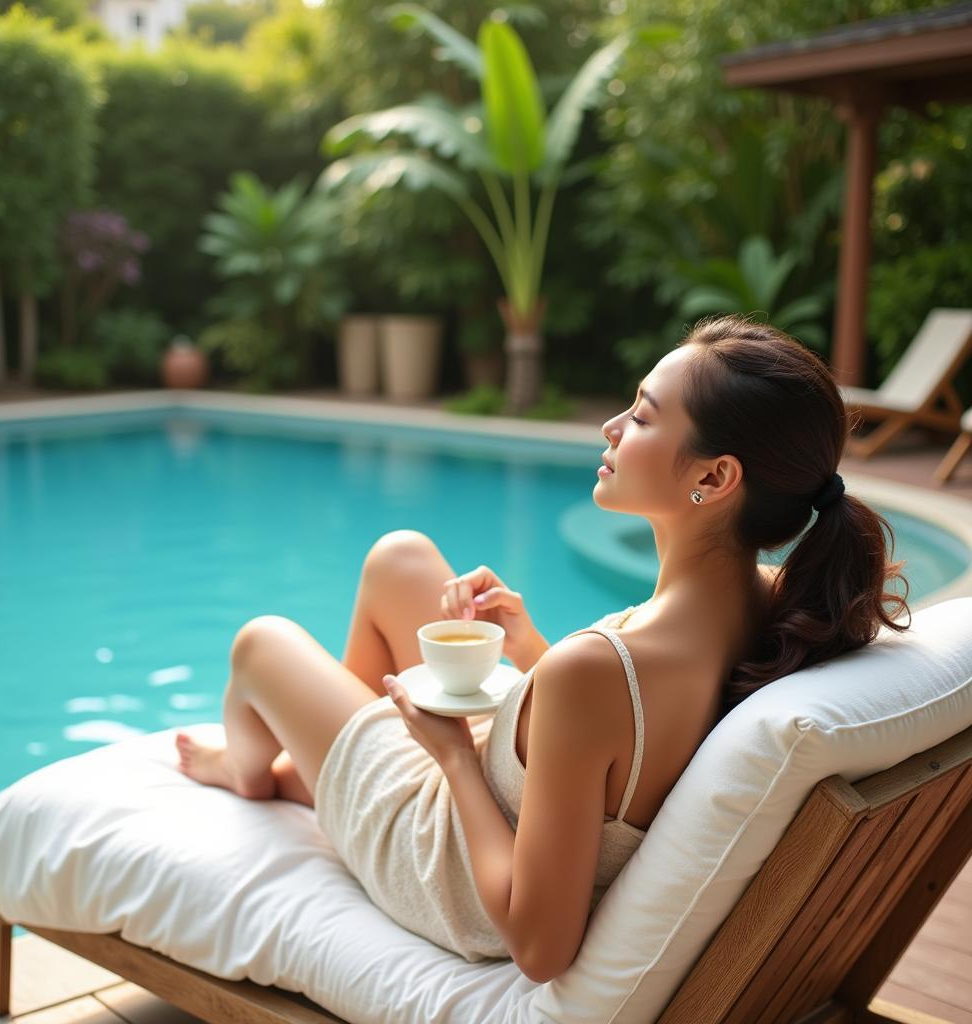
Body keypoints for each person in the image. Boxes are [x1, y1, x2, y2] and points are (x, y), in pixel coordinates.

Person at [174, 314, 911, 983]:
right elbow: (628, 738)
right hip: (512, 795)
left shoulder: (596, 671)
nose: (612, 427)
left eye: (644, 418)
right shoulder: (777, 597)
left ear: (715, 478)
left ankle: (255, 771)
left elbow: (539, 948)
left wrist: (453, 755)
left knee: (259, 644)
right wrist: (528, 647)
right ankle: (309, 767)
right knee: (399, 559)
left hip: (450, 864)